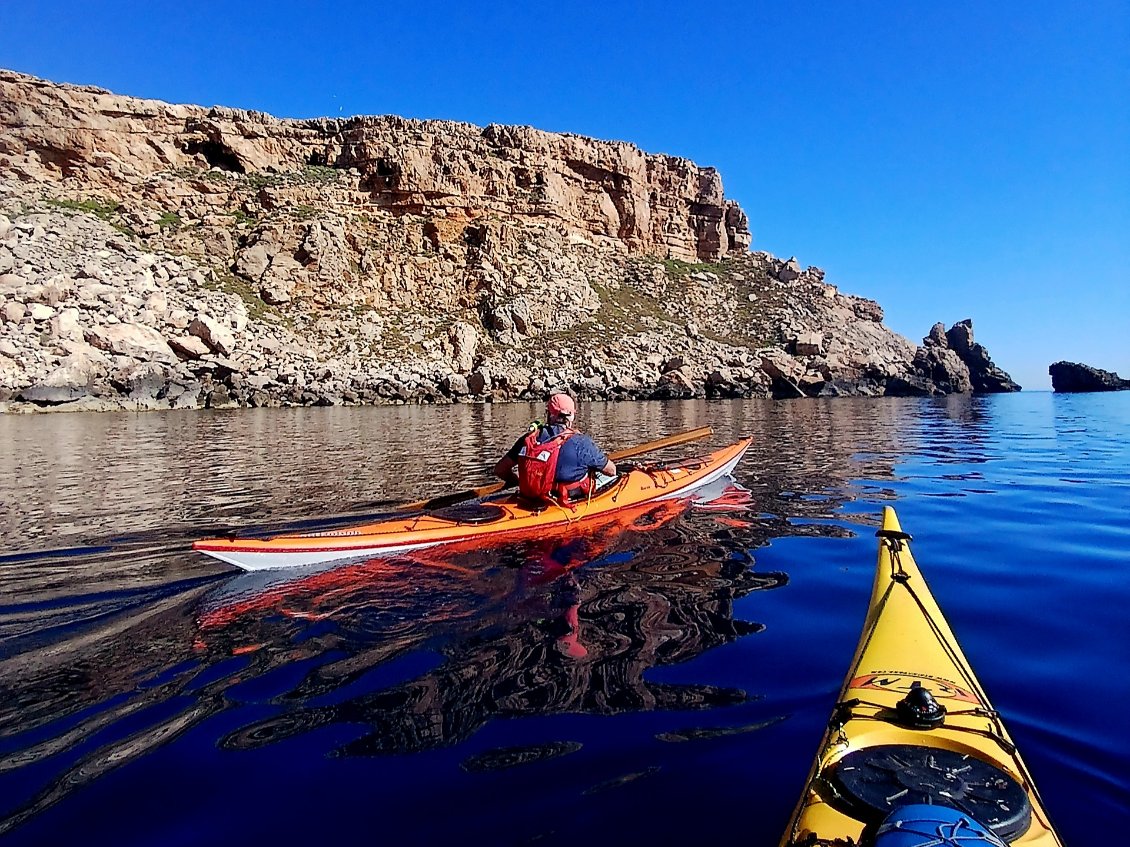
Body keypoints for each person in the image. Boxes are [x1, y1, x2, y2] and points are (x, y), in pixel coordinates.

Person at [493, 393, 616, 506]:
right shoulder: (582, 442)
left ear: (548, 414)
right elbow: (611, 471)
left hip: (533, 497)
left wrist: (519, 482)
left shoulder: (529, 438)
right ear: (572, 416)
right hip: (564, 500)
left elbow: (500, 470)